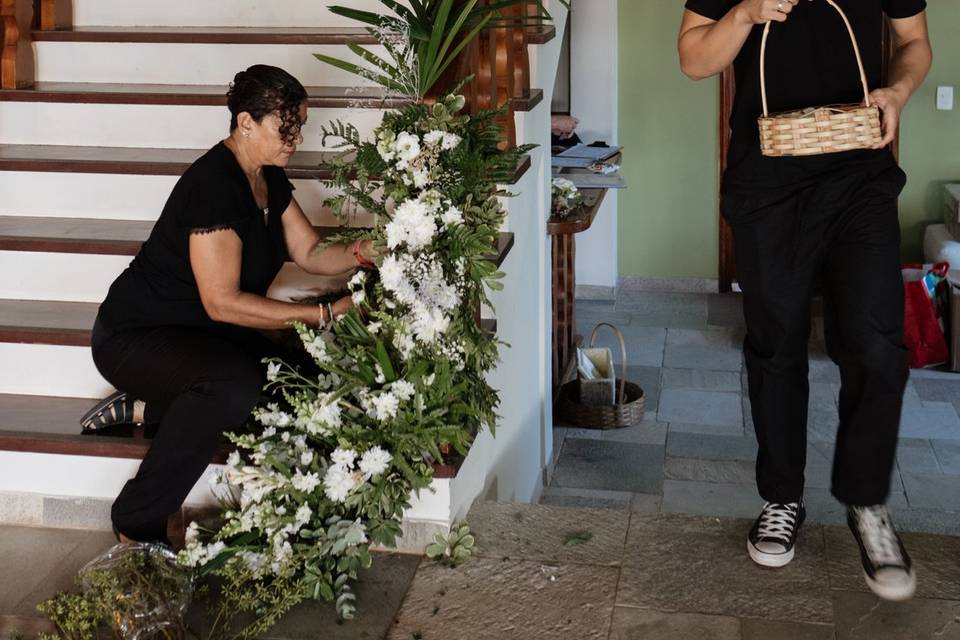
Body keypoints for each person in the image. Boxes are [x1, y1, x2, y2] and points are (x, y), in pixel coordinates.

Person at [678, 0, 931, 601]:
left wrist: (897, 91)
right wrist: (744, 13)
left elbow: (914, 41)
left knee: (875, 339)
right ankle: (781, 498)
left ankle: (866, 503)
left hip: (860, 175)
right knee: (776, 341)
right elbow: (693, 57)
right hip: (766, 177)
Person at [81, 64, 379, 544]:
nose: (296, 137)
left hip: (201, 334)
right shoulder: (212, 187)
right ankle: (136, 520)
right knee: (233, 386)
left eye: (299, 125)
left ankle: (153, 407)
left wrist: (365, 251)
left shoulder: (269, 178)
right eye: (286, 127)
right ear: (246, 123)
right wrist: (319, 314)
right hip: (137, 336)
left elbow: (309, 252)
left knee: (298, 380)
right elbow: (222, 303)